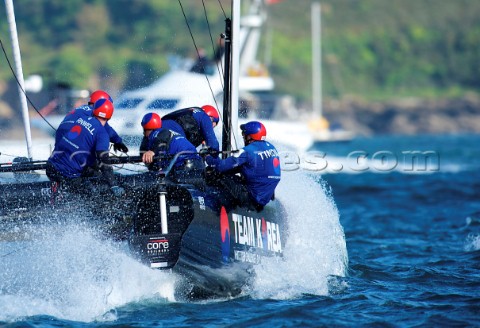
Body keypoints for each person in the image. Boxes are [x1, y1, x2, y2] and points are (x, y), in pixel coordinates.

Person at [46, 99, 125, 197]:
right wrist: (113, 185)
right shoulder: (102, 133)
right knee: (95, 195)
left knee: (91, 171)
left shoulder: (79, 119)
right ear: (110, 116)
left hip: (50, 167)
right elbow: (103, 160)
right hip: (68, 176)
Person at [205, 121, 281, 210]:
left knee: (218, 175)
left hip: (252, 199)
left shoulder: (247, 151)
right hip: (266, 197)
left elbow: (220, 166)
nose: (243, 137)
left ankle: (213, 205)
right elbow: (255, 167)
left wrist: (208, 157)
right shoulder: (272, 148)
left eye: (244, 134)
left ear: (250, 136)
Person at [62, 89, 129, 153]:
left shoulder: (81, 109)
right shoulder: (93, 113)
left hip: (62, 141)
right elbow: (107, 129)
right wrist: (118, 141)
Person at [139, 113, 204, 176]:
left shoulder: (157, 133)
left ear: (146, 128)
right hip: (198, 163)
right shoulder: (170, 133)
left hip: (184, 166)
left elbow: (163, 138)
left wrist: (152, 151)